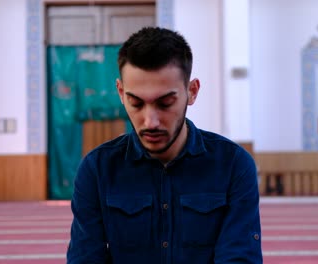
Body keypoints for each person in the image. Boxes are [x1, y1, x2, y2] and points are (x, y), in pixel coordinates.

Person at [67, 27, 262, 263]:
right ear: (120, 92)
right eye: (136, 103)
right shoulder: (97, 170)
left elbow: (239, 258)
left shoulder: (233, 166)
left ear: (192, 92)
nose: (151, 121)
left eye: (165, 103)